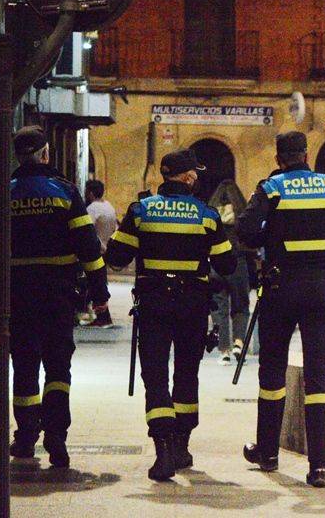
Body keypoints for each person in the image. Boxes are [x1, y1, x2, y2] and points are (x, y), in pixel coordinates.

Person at [105, 148, 236, 481]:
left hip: (153, 304)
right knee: (187, 374)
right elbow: (227, 265)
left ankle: (162, 451)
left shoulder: (141, 210)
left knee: (156, 376)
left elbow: (116, 257)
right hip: (193, 306)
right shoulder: (207, 215)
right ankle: (181, 447)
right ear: (189, 177)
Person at [236, 132, 325, 488]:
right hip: (322, 288)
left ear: (279, 158)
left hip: (281, 288)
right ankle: (320, 466)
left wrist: (270, 235)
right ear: (306, 155)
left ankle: (268, 452)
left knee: (272, 371)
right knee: (319, 376)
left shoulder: (272, 187)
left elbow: (245, 230)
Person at [9, 126, 110, 468]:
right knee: (57, 367)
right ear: (46, 154)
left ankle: (25, 438)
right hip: (57, 295)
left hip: (17, 295)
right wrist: (99, 293)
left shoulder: (5, 191)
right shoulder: (64, 192)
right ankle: (56, 438)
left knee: (24, 366)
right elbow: (88, 248)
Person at [206, 179, 252, 365]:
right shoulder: (242, 212)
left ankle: (224, 350)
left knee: (219, 307)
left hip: (216, 264)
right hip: (238, 262)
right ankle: (239, 343)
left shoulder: (211, 215)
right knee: (241, 306)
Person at [82, 179, 118, 328]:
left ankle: (101, 316)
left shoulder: (92, 209)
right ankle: (102, 315)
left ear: (90, 193)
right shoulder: (109, 206)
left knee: (94, 284)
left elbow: (87, 230)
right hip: (107, 249)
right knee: (99, 283)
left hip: (96, 251)